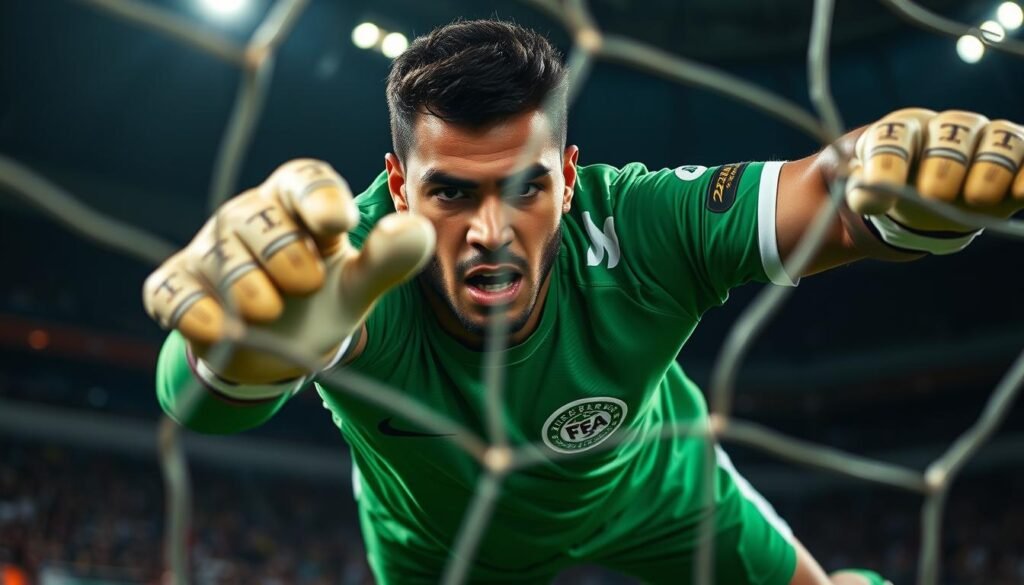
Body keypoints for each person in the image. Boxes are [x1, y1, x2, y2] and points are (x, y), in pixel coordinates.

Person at [144, 19, 1024, 585]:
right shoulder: (357, 265)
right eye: (452, 193)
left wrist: (893, 186)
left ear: (568, 178)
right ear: (398, 188)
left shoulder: (637, 224)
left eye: (524, 187)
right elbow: (199, 408)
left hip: (658, 486)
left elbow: (821, 191)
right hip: (445, 551)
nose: (492, 229)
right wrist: (237, 354)